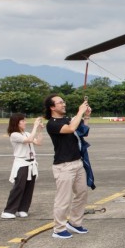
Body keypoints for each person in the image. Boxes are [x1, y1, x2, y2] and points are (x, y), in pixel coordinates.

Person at [44, 94, 92, 239]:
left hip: (77, 163)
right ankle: (58, 229)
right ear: (52, 107)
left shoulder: (66, 119)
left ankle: (75, 223)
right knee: (63, 199)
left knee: (82, 194)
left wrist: (86, 116)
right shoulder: (52, 124)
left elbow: (83, 132)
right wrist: (80, 112)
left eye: (63, 102)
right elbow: (71, 129)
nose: (64, 104)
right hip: (63, 166)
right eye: (60, 103)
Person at [1, 114, 43, 219]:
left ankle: (22, 209)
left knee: (29, 187)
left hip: (31, 163)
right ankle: (9, 210)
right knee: (19, 187)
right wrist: (35, 126)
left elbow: (38, 142)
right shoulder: (14, 134)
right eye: (22, 121)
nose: (25, 122)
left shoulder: (27, 133)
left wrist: (39, 130)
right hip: (21, 163)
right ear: (17, 123)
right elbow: (28, 140)